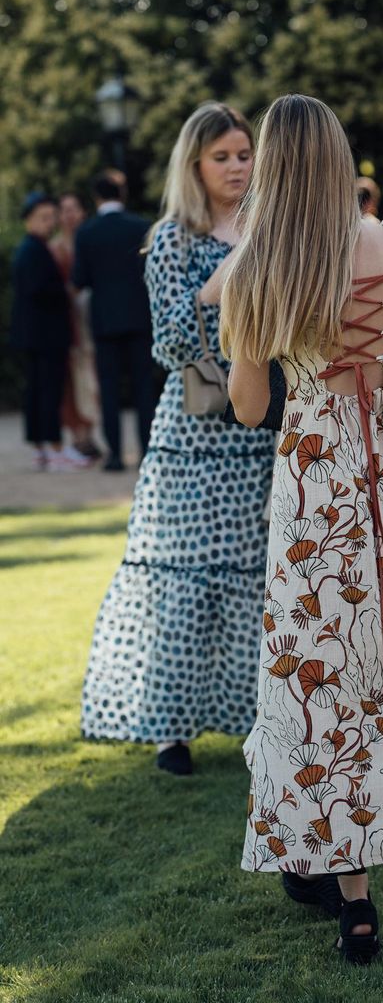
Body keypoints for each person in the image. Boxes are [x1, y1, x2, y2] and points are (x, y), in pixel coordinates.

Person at [221, 94, 383, 964]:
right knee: (382, 665)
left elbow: (249, 409)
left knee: (315, 672)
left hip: (316, 483)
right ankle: (342, 866)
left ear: (275, 167)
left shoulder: (261, 267)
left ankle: (342, 881)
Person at [81, 103, 279, 777]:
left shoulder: (273, 230)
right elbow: (168, 341)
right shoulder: (173, 238)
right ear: (194, 164)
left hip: (259, 430)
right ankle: (171, 729)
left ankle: (262, 721)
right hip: (193, 433)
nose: (235, 167)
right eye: (221, 156)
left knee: (258, 581)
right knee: (183, 583)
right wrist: (225, 275)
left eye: (243, 155)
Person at [72, 172, 155, 471]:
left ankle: (116, 455)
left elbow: (79, 279)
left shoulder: (86, 232)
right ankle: (147, 451)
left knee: (108, 389)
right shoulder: (142, 226)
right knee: (143, 387)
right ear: (121, 194)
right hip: (140, 317)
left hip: (105, 321)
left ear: (96, 197)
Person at [10, 193, 80, 472]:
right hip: (45, 335)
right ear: (29, 218)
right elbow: (39, 291)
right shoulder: (33, 250)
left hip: (37, 335)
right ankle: (54, 449)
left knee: (39, 392)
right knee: (47, 392)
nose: (49, 223)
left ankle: (43, 449)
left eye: (51, 217)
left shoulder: (30, 248)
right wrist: (65, 292)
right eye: (44, 217)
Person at [50, 192, 102, 462]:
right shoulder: (55, 248)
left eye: (74, 209)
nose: (69, 215)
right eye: (64, 210)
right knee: (71, 381)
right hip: (68, 323)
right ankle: (78, 436)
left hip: (91, 320)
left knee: (91, 380)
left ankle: (90, 435)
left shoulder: (89, 242)